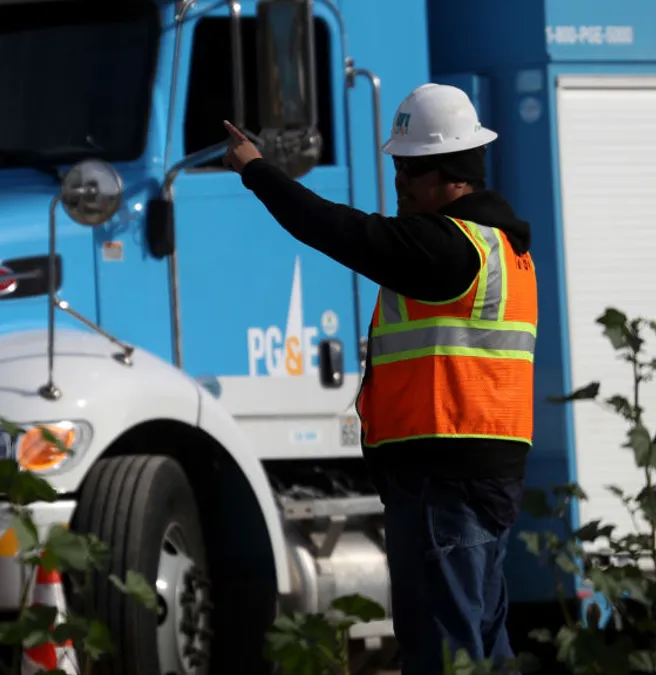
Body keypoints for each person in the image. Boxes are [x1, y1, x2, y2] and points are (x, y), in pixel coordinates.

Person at [222, 83, 537, 673]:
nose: (399, 188)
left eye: (409, 175)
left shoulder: (450, 248)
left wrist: (257, 171)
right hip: (473, 475)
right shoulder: (500, 248)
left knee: (445, 653)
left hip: (445, 476)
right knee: (481, 647)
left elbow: (334, 228)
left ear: (451, 176)